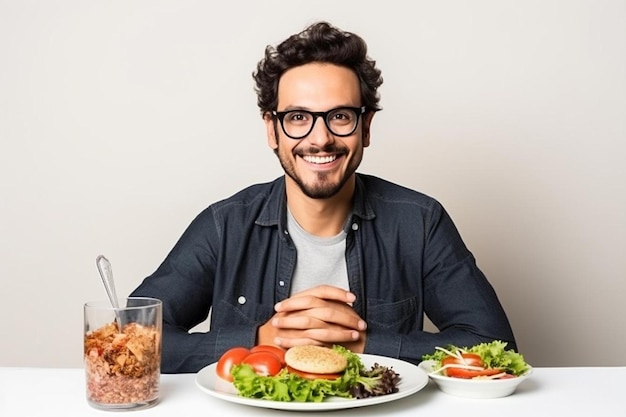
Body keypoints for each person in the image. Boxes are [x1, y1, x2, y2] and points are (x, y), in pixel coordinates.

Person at [130, 21, 517, 373]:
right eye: (298, 117)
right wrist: (260, 340)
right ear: (272, 130)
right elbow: (131, 338)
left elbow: (494, 347)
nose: (320, 138)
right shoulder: (225, 225)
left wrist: (363, 344)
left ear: (365, 127)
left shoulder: (420, 221)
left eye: (340, 116)